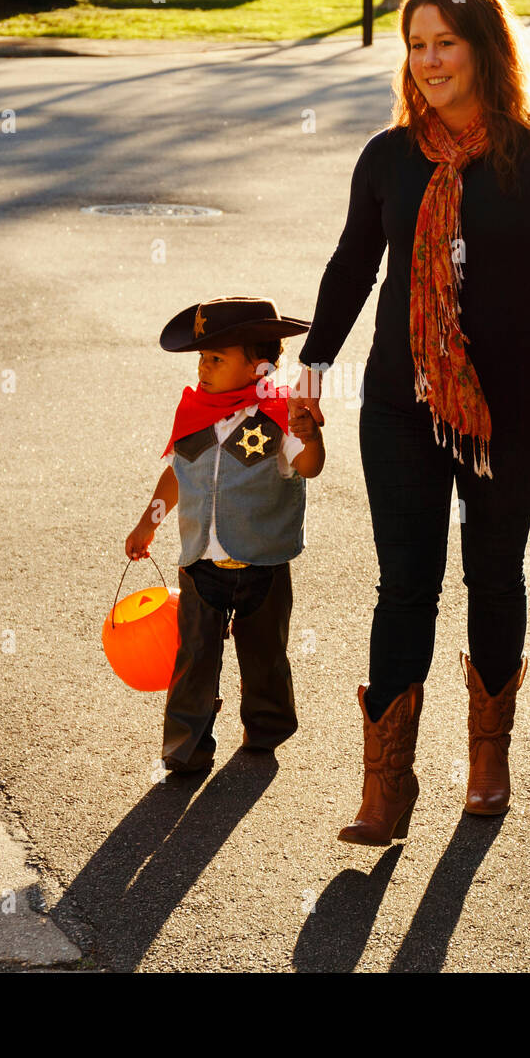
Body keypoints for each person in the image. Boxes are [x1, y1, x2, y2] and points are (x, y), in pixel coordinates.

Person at [287, 0, 530, 845]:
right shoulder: (390, 157)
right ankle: (386, 785)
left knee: (494, 577)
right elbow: (354, 266)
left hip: (514, 412)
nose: (426, 61)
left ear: (485, 51)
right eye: (415, 45)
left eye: (445, 44)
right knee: (404, 586)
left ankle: (488, 758)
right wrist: (315, 359)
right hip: (399, 403)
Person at [126, 296, 324, 774]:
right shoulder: (194, 412)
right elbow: (177, 474)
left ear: (258, 367)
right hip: (200, 562)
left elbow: (308, 468)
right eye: (202, 357)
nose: (204, 367)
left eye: (216, 358)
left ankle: (266, 726)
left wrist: (311, 434)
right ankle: (186, 746)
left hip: (264, 563)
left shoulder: (282, 413)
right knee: (193, 658)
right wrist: (148, 522)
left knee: (264, 653)